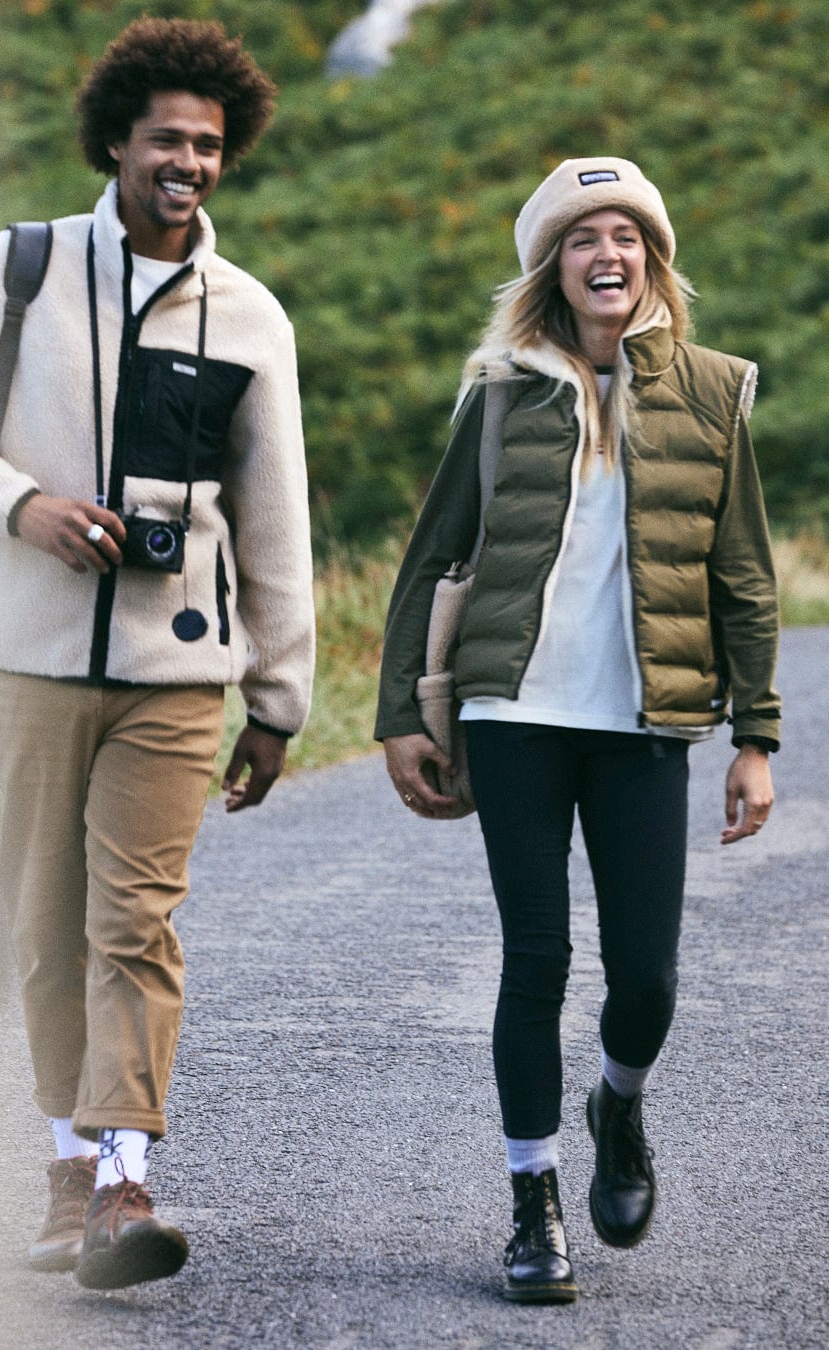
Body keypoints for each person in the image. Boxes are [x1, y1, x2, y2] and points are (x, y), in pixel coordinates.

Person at [0, 18, 314, 1292]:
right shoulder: (18, 269)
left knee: (137, 923)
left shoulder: (251, 318)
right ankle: (66, 1166)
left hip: (176, 680)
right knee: (44, 925)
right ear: (115, 139)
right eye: (168, 137)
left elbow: (275, 513)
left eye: (211, 145)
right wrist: (22, 506)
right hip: (23, 658)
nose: (190, 161)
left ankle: (125, 1175)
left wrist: (279, 697)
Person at [375, 157, 779, 1304]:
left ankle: (620, 1101)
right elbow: (431, 557)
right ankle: (531, 1201)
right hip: (515, 715)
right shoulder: (502, 395)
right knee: (535, 957)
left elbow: (745, 575)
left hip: (647, 722)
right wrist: (404, 711)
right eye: (581, 238)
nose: (609, 255)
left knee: (645, 975)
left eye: (628, 237)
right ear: (552, 269)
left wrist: (759, 737)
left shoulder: (711, 392)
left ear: (653, 260)